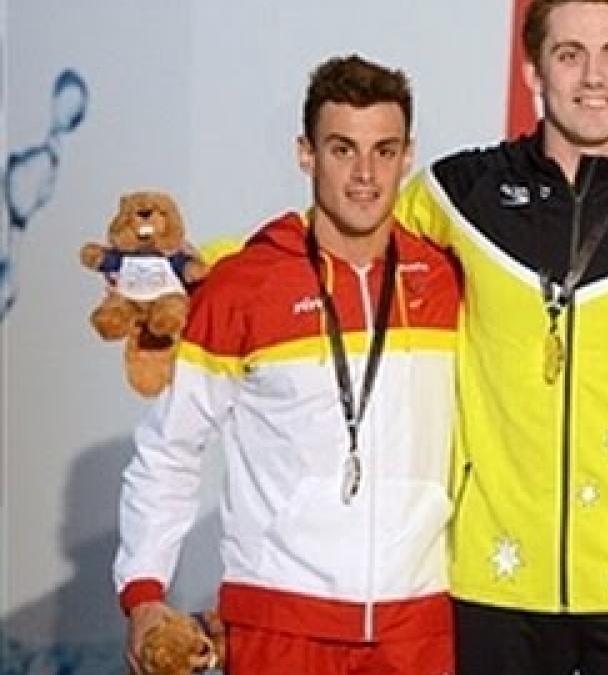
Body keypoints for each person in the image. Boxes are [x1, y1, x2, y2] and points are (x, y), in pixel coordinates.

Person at [394, 1, 608, 673]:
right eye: (570, 54)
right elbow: (344, 248)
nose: (594, 77)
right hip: (496, 573)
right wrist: (201, 272)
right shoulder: (460, 193)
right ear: (533, 66)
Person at [114, 54, 461, 675]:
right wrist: (144, 590)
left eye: (384, 151)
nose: (364, 174)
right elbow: (170, 447)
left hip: (418, 626)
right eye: (342, 149)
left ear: (408, 157)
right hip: (280, 625)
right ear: (306, 154)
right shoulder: (243, 287)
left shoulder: (443, 280)